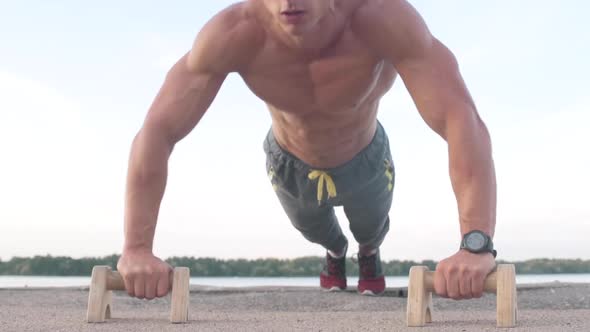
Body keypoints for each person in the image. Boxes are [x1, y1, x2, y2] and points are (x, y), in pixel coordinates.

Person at [117, 0, 497, 299]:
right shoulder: (233, 32)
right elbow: (158, 130)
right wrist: (136, 248)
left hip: (364, 155)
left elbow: (460, 119)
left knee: (371, 226)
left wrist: (475, 245)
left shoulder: (382, 18)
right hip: (290, 161)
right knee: (315, 231)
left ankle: (367, 253)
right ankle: (335, 253)